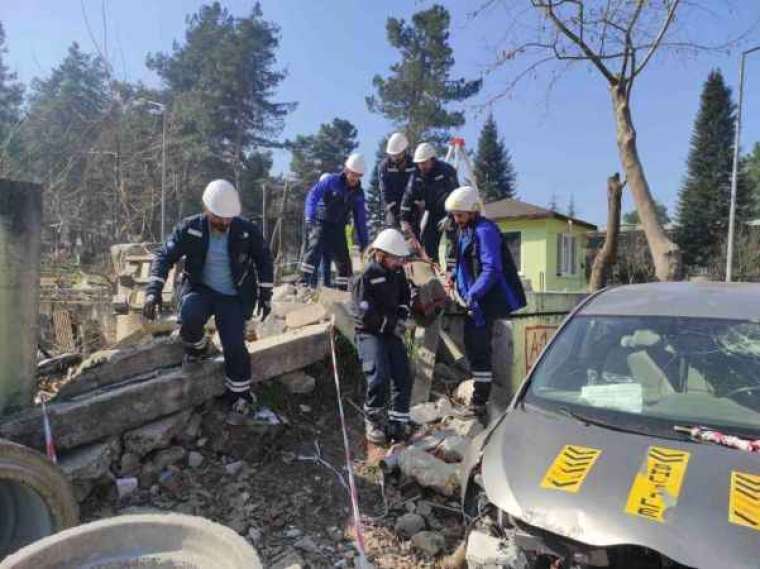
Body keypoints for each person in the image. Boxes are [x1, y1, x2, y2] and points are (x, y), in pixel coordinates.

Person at [143, 179, 274, 426]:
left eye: (228, 219)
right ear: (206, 209)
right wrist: (153, 291)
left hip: (234, 296)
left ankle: (239, 395)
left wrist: (266, 294)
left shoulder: (246, 230)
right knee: (190, 318)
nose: (225, 223)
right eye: (219, 218)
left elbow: (264, 259)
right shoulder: (190, 228)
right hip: (200, 288)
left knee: (235, 345)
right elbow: (164, 256)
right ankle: (199, 349)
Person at [444, 186, 526, 419]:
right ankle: (480, 396)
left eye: (459, 215)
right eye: (454, 215)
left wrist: (473, 294)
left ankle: (480, 400)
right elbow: (462, 263)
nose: (455, 219)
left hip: (484, 302)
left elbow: (492, 269)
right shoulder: (465, 230)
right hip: (473, 299)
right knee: (472, 346)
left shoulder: (485, 231)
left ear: (472, 211)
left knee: (479, 349)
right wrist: (453, 277)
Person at [352, 228, 413, 444]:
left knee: (403, 374)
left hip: (391, 331)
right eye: (396, 258)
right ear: (381, 254)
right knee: (379, 375)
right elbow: (365, 314)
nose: (399, 262)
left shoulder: (397, 273)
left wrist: (403, 315)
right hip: (370, 333)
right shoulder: (366, 276)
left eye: (400, 258)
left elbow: (405, 296)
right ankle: (374, 419)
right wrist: (391, 325)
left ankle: (398, 421)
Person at [300, 153, 369, 291]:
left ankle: (342, 289)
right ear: (346, 170)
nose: (354, 178)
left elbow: (360, 219)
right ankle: (304, 282)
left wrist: (364, 243)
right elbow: (313, 195)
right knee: (315, 247)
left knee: (343, 258)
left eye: (358, 176)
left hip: (338, 226)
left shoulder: (358, 194)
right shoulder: (331, 181)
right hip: (321, 221)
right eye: (352, 174)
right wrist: (310, 215)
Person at [400, 142, 458, 262]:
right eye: (419, 163)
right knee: (428, 240)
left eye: (424, 162)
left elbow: (456, 195)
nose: (422, 166)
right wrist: (404, 219)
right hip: (433, 213)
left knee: (454, 242)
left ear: (432, 159)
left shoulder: (447, 171)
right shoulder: (416, 176)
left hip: (452, 212)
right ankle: (433, 271)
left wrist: (451, 216)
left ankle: (453, 273)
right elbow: (408, 197)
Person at [377, 132, 416, 228]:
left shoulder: (414, 165)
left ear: (404, 152)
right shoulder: (384, 166)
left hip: (412, 206)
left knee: (416, 233)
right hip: (393, 205)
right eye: (393, 155)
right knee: (392, 230)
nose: (395, 158)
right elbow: (385, 191)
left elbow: (418, 187)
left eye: (398, 155)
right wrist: (394, 210)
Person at [307, 173, 335, 288]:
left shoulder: (331, 198)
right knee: (317, 259)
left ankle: (324, 285)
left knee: (325, 260)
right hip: (319, 233)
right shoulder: (318, 199)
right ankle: (314, 284)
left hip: (326, 234)